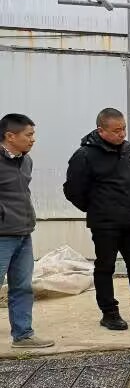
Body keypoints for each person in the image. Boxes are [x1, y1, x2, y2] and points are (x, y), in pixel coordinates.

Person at [64, 108, 130, 331]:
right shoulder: (84, 155)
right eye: (116, 130)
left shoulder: (127, 149)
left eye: (124, 129)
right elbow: (72, 190)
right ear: (101, 130)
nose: (122, 134)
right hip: (105, 224)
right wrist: (96, 208)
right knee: (106, 267)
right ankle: (109, 313)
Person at [0, 114, 53, 349]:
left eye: (33, 134)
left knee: (22, 287)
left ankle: (23, 336)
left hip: (23, 233)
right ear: (10, 136)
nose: (33, 139)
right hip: (2, 236)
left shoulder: (25, 160)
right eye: (28, 135)